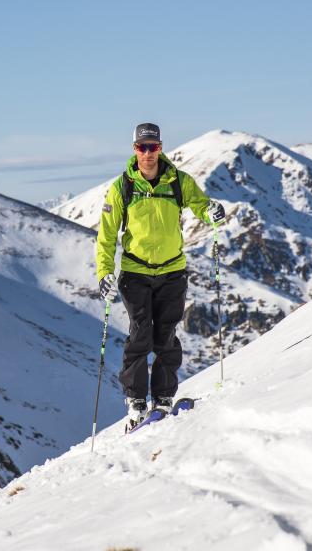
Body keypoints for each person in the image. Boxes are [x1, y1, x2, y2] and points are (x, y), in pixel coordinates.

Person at [96, 122, 225, 429]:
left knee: (165, 334)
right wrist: (104, 271)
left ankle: (164, 399)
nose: (148, 153)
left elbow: (201, 205)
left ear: (161, 148)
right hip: (135, 271)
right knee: (140, 333)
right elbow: (106, 235)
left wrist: (213, 213)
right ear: (134, 150)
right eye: (143, 147)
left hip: (172, 271)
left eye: (153, 147)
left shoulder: (178, 182)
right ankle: (137, 404)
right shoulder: (122, 188)